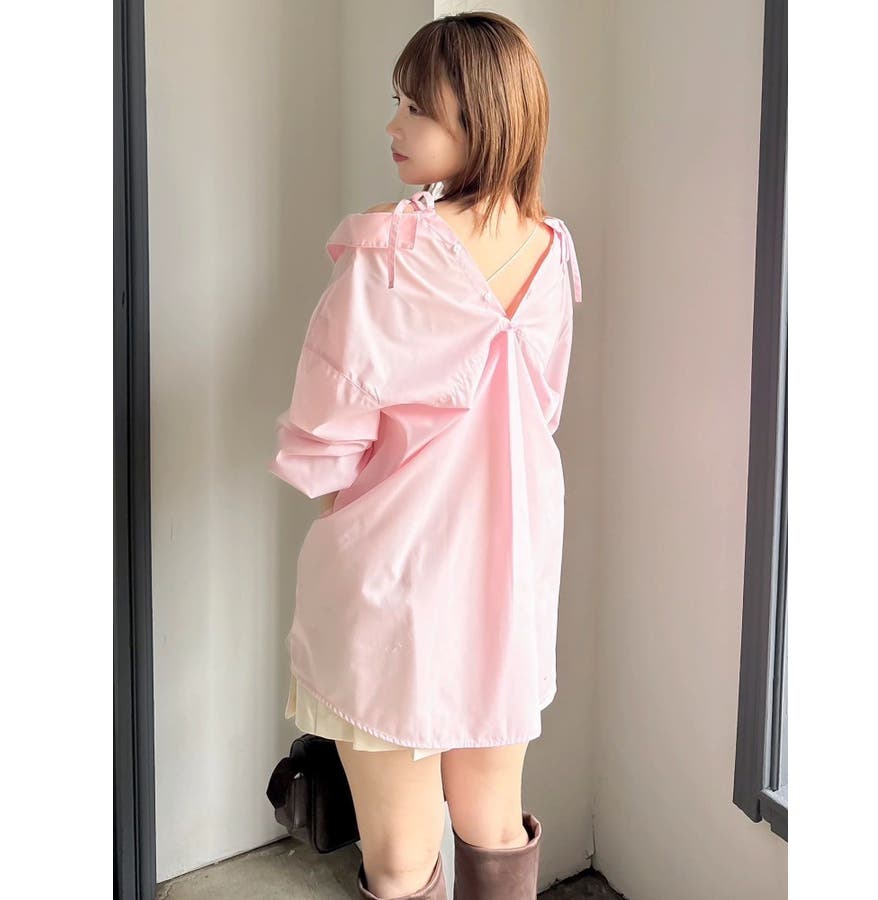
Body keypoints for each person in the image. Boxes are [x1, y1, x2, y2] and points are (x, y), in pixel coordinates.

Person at [268, 11, 581, 899]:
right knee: (495, 826)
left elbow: (324, 440)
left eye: (419, 109)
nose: (394, 126)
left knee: (402, 860)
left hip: (394, 588)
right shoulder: (552, 252)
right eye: (399, 103)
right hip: (508, 587)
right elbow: (541, 412)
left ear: (484, 122)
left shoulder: (387, 257)